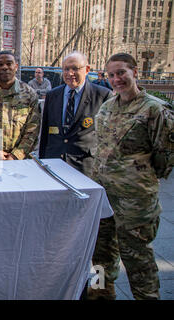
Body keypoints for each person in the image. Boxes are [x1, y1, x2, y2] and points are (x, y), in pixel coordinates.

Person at [89, 53, 173, 300]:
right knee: (99, 256)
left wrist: (135, 177)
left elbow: (165, 157)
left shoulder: (154, 109)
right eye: (112, 75)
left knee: (138, 260)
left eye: (121, 72)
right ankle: (100, 294)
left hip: (135, 202)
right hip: (104, 199)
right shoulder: (107, 107)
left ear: (134, 72)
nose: (117, 79)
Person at [39, 51, 112, 175]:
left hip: (85, 166)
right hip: (53, 163)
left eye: (75, 68)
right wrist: (42, 160)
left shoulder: (102, 96)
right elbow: (45, 132)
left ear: (87, 69)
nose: (70, 73)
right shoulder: (53, 95)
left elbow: (108, 137)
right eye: (66, 69)